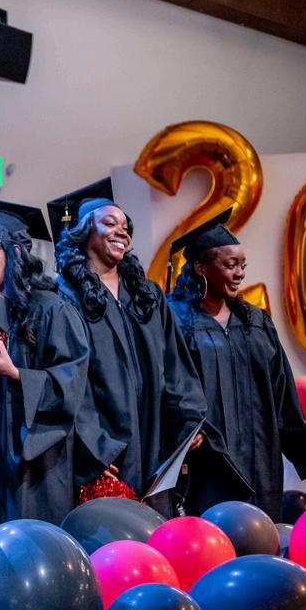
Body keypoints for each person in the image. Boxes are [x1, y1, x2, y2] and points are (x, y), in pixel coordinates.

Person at [0, 198, 121, 551]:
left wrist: (16, 373)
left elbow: (71, 382)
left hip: (32, 456)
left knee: (30, 546)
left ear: (14, 252)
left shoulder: (51, 309)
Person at [53, 185, 245, 515]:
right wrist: (94, 449)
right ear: (84, 232)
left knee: (155, 532)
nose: (121, 231)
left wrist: (189, 422)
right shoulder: (65, 297)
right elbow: (69, 381)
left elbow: (176, 366)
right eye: (109, 223)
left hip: (155, 445)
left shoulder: (147, 296)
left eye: (125, 226)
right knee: (111, 536)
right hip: (105, 456)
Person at [168, 208, 306, 518]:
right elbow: (168, 388)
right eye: (230, 265)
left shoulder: (256, 322)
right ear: (201, 268)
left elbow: (282, 396)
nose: (239, 273)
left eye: (242, 265)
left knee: (260, 531)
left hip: (262, 462)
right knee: (215, 532)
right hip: (209, 465)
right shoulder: (176, 321)